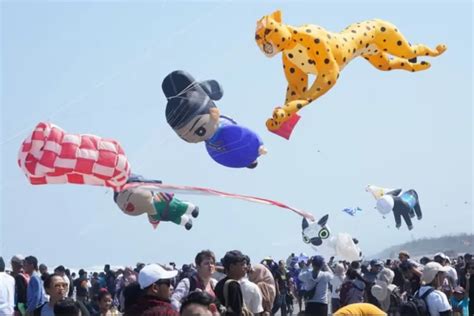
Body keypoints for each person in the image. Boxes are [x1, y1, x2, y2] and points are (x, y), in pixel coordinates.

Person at [214, 250, 248, 315]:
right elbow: (237, 312)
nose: (246, 267)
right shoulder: (233, 285)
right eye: (242, 264)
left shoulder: (220, 284)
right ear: (232, 267)